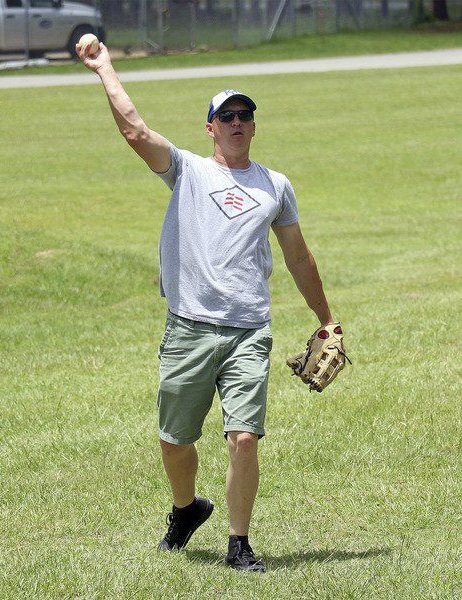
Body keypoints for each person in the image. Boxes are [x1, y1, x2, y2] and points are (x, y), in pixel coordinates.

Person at [77, 43, 335, 573]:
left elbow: (298, 256)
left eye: (246, 116)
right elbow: (135, 132)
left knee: (243, 436)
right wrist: (105, 67)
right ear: (210, 127)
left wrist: (325, 318)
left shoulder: (276, 186)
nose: (238, 122)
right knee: (175, 441)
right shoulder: (187, 171)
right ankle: (186, 508)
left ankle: (239, 543)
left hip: (248, 331)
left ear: (254, 128)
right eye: (227, 116)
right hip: (189, 328)